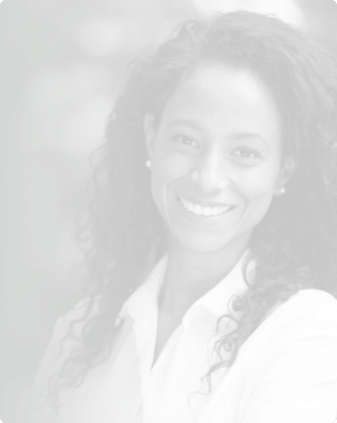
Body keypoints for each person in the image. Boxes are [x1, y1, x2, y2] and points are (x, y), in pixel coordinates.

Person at [27, 10, 337, 423]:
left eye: (245, 153)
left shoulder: (306, 332)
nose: (208, 178)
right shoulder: (80, 334)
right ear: (152, 138)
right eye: (187, 140)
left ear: (283, 170)